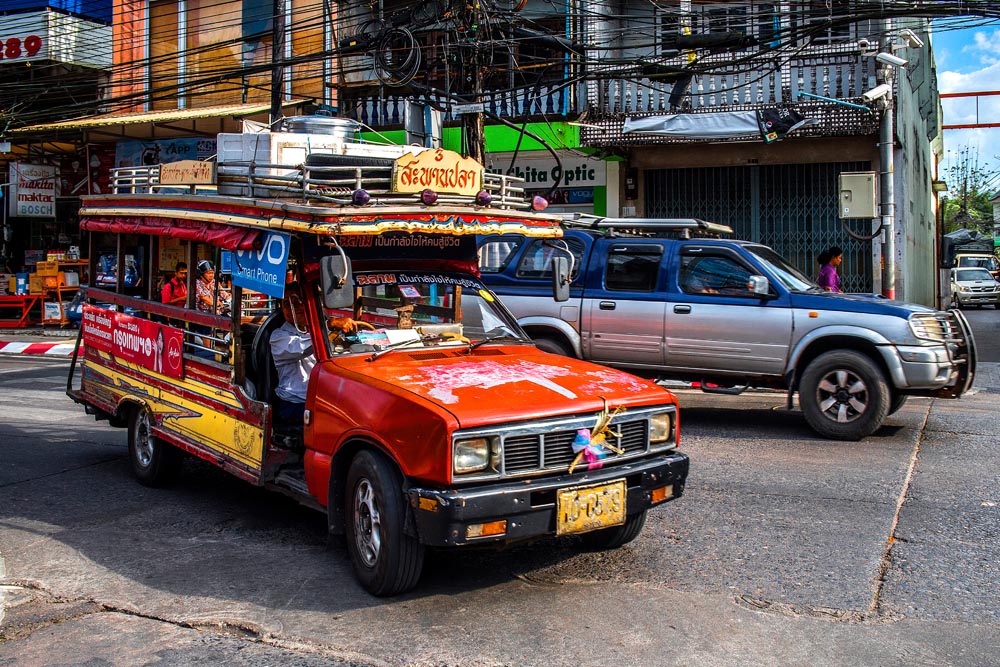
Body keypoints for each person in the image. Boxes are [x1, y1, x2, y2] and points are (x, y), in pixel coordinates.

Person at [269, 291, 316, 423]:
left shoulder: (315, 329)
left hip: (320, 398)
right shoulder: (278, 336)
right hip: (295, 403)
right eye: (288, 305)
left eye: (298, 302)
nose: (295, 308)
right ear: (282, 310)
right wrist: (329, 329)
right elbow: (300, 349)